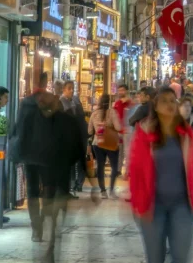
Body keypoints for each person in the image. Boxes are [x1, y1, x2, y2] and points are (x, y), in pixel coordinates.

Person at [130, 87, 193, 263]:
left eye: (173, 101)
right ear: (155, 106)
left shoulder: (186, 134)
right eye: (164, 101)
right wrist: (138, 203)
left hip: (182, 205)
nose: (170, 105)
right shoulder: (144, 133)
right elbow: (136, 170)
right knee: (155, 262)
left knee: (180, 261)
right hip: (153, 206)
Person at [10, 72, 84, 243]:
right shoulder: (53, 102)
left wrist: (17, 151)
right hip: (48, 154)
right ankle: (42, 218)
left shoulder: (26, 103)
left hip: (30, 154)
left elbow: (18, 129)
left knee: (33, 192)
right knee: (47, 189)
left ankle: (36, 228)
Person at [88, 94, 122, 198]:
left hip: (97, 143)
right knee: (114, 166)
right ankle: (112, 190)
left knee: (100, 166)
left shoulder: (94, 114)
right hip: (110, 143)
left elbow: (89, 131)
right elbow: (118, 127)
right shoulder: (112, 112)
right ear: (110, 102)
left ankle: (103, 191)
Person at [60, 80, 88, 195]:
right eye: (69, 88)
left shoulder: (75, 100)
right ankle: (68, 188)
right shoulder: (61, 102)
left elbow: (80, 118)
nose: (71, 91)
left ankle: (75, 185)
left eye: (72, 88)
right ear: (64, 90)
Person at [113, 84, 133, 175]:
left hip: (127, 131)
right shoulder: (117, 103)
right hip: (118, 131)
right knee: (119, 151)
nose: (121, 92)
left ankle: (128, 171)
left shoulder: (130, 103)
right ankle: (118, 170)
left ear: (126, 91)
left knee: (127, 151)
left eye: (122, 90)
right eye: (119, 90)